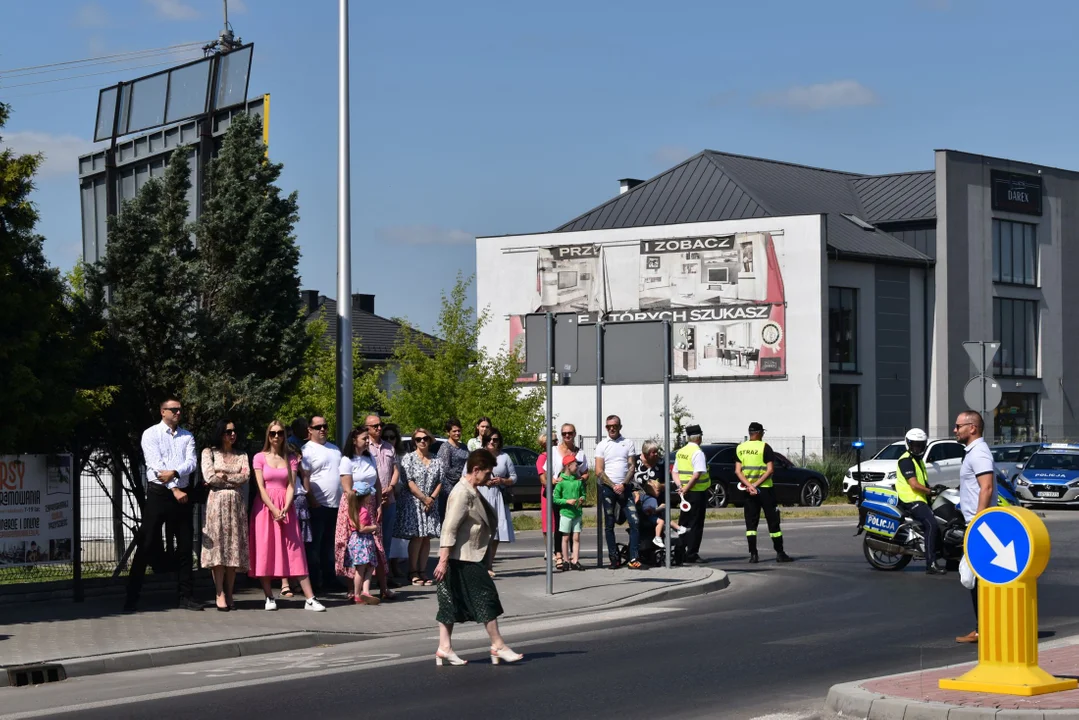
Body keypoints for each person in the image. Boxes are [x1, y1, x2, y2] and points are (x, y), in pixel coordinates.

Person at [432, 450, 523, 667]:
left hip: (466, 556)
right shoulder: (462, 493)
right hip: (463, 557)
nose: (490, 477)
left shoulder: (472, 489)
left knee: (450, 602)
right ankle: (498, 645)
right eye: (487, 472)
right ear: (475, 470)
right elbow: (449, 528)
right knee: (486, 598)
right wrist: (443, 561)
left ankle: (444, 648)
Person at [125, 397, 201, 613]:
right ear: (162, 412)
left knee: (185, 545)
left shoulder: (187, 436)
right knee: (147, 543)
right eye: (173, 410)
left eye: (180, 410)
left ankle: (185, 595)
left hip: (182, 495)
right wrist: (174, 489)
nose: (178, 413)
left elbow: (191, 462)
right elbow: (155, 465)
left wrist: (176, 474)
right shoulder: (151, 434)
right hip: (160, 493)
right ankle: (132, 596)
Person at [249, 421, 326, 612]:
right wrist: (274, 508)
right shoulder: (259, 457)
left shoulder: (290, 457)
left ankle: (310, 598)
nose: (276, 437)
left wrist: (285, 506)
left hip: (286, 508)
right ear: (268, 435)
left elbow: (292, 484)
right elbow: (260, 486)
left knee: (295, 550)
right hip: (265, 509)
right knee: (265, 549)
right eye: (273, 433)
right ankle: (269, 596)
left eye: (280, 433)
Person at [954, 410, 998, 644]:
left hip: (980, 524)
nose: (955, 430)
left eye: (958, 426)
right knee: (976, 578)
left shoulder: (979, 452)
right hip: (977, 522)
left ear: (972, 428)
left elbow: (987, 487)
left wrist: (978, 522)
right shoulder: (973, 452)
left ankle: (984, 629)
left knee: (975, 578)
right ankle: (983, 626)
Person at [337, 426, 395, 601]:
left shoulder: (369, 457)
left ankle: (383, 588)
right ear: (354, 440)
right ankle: (353, 590)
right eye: (364, 438)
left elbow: (377, 482)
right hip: (353, 507)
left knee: (377, 546)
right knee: (352, 547)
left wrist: (378, 505)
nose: (367, 441)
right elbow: (348, 490)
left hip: (370, 506)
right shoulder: (347, 460)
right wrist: (355, 513)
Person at [200, 419, 251, 611]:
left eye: (234, 431)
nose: (232, 434)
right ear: (220, 433)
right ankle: (219, 592)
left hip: (236, 505)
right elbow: (209, 476)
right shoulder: (209, 453)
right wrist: (230, 479)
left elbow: (245, 476)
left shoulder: (242, 454)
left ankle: (230, 592)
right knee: (219, 549)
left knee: (233, 549)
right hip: (217, 505)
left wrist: (224, 477)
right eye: (228, 431)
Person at [735, 422, 792, 564]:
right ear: (759, 433)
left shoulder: (740, 448)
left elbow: (738, 471)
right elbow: (770, 470)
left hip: (748, 491)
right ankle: (780, 553)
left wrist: (749, 486)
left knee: (751, 524)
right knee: (773, 522)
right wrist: (756, 485)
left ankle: (753, 555)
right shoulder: (764, 447)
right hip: (765, 489)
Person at [301, 415, 345, 594]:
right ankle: (314, 581)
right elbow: (305, 477)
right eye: (318, 427)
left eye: (325, 426)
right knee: (315, 546)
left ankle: (330, 579)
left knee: (330, 545)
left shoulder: (334, 449)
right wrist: (311, 498)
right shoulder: (307, 450)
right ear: (309, 430)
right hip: (318, 505)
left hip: (336, 505)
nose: (322, 430)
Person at [396, 427, 444, 585]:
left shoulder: (436, 459)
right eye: (418, 439)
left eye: (425, 438)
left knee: (426, 537)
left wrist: (431, 498)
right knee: (417, 536)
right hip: (414, 503)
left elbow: (440, 482)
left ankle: (423, 571)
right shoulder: (408, 459)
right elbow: (408, 481)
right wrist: (424, 498)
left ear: (430, 440)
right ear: (414, 441)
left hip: (431, 503)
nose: (422, 441)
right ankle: (413, 571)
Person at [896, 428, 946, 576]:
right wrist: (930, 492)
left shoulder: (917, 461)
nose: (917, 448)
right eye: (914, 445)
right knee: (931, 524)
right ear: (908, 444)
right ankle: (930, 563)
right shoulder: (906, 461)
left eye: (920, 445)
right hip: (910, 500)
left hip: (920, 499)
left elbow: (922, 482)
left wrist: (933, 489)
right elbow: (914, 485)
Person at [595, 415, 640, 569]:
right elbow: (599, 470)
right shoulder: (602, 445)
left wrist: (623, 484)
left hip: (625, 488)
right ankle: (614, 558)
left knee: (634, 521)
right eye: (608, 426)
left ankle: (633, 557)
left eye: (614, 426)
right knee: (609, 524)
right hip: (608, 489)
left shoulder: (627, 443)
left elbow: (632, 466)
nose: (611, 429)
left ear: (620, 426)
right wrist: (613, 485)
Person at [364, 415, 400, 589]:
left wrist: (391, 487)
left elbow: (395, 470)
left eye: (381, 425)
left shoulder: (389, 448)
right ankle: (367, 579)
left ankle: (383, 577)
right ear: (367, 428)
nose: (379, 428)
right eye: (375, 426)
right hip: (371, 500)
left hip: (389, 498)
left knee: (385, 541)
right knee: (370, 540)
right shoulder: (365, 447)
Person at [480, 429, 515, 577]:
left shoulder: (505, 457)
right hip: (481, 494)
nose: (492, 442)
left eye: (495, 439)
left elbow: (514, 477)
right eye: (489, 439)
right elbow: (466, 474)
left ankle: (489, 565)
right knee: (481, 532)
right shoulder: (478, 456)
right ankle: (479, 564)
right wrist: (483, 480)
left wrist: (502, 481)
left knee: (495, 533)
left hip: (497, 496)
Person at [281, 421, 311, 600]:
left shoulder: (299, 471)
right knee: (286, 545)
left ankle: (295, 581)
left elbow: (306, 489)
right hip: (289, 505)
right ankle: (285, 582)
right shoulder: (285, 470)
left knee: (299, 547)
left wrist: (302, 471)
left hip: (301, 504)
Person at [673, 425, 710, 563]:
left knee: (683, 522)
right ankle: (692, 554)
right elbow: (696, 474)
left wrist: (680, 487)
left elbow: (674, 472)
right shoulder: (697, 452)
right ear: (699, 437)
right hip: (696, 493)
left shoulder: (681, 451)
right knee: (696, 524)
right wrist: (687, 488)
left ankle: (679, 552)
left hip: (684, 494)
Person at [344, 482, 381, 605]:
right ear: (365, 497)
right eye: (370, 495)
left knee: (369, 566)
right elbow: (362, 528)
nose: (371, 497)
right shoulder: (364, 511)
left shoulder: (352, 509)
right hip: (363, 541)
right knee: (362, 569)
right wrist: (374, 527)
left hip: (355, 540)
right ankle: (357, 594)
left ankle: (364, 592)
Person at [382, 423, 410, 580]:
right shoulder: (381, 452)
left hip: (400, 497)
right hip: (386, 496)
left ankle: (394, 565)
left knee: (397, 537)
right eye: (386, 437)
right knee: (385, 536)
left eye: (392, 437)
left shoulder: (402, 454)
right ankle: (385, 570)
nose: (389, 440)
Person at [552, 454, 586, 571]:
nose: (577, 467)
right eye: (576, 465)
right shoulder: (561, 481)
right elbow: (555, 498)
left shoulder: (578, 480)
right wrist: (567, 501)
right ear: (568, 466)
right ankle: (566, 560)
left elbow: (583, 493)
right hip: (566, 512)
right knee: (565, 537)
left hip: (577, 512)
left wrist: (582, 498)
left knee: (576, 537)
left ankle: (575, 560)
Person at [436, 418, 470, 521]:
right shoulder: (445, 447)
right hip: (449, 487)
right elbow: (445, 468)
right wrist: (461, 478)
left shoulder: (463, 446)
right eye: (454, 431)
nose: (457, 433)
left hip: (464, 484)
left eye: (459, 430)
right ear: (448, 432)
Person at [536, 431, 561, 566]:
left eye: (557, 440)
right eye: (554, 441)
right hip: (547, 492)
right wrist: (551, 482)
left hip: (559, 491)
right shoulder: (542, 457)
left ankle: (559, 550)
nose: (556, 443)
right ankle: (548, 550)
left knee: (558, 521)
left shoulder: (557, 454)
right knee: (547, 522)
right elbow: (543, 478)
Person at [641, 478, 686, 548]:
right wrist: (660, 508)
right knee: (661, 521)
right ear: (651, 490)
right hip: (649, 517)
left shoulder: (648, 497)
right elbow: (649, 510)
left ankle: (679, 528)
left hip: (649, 515)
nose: (659, 492)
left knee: (666, 519)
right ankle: (657, 537)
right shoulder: (651, 499)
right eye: (658, 490)